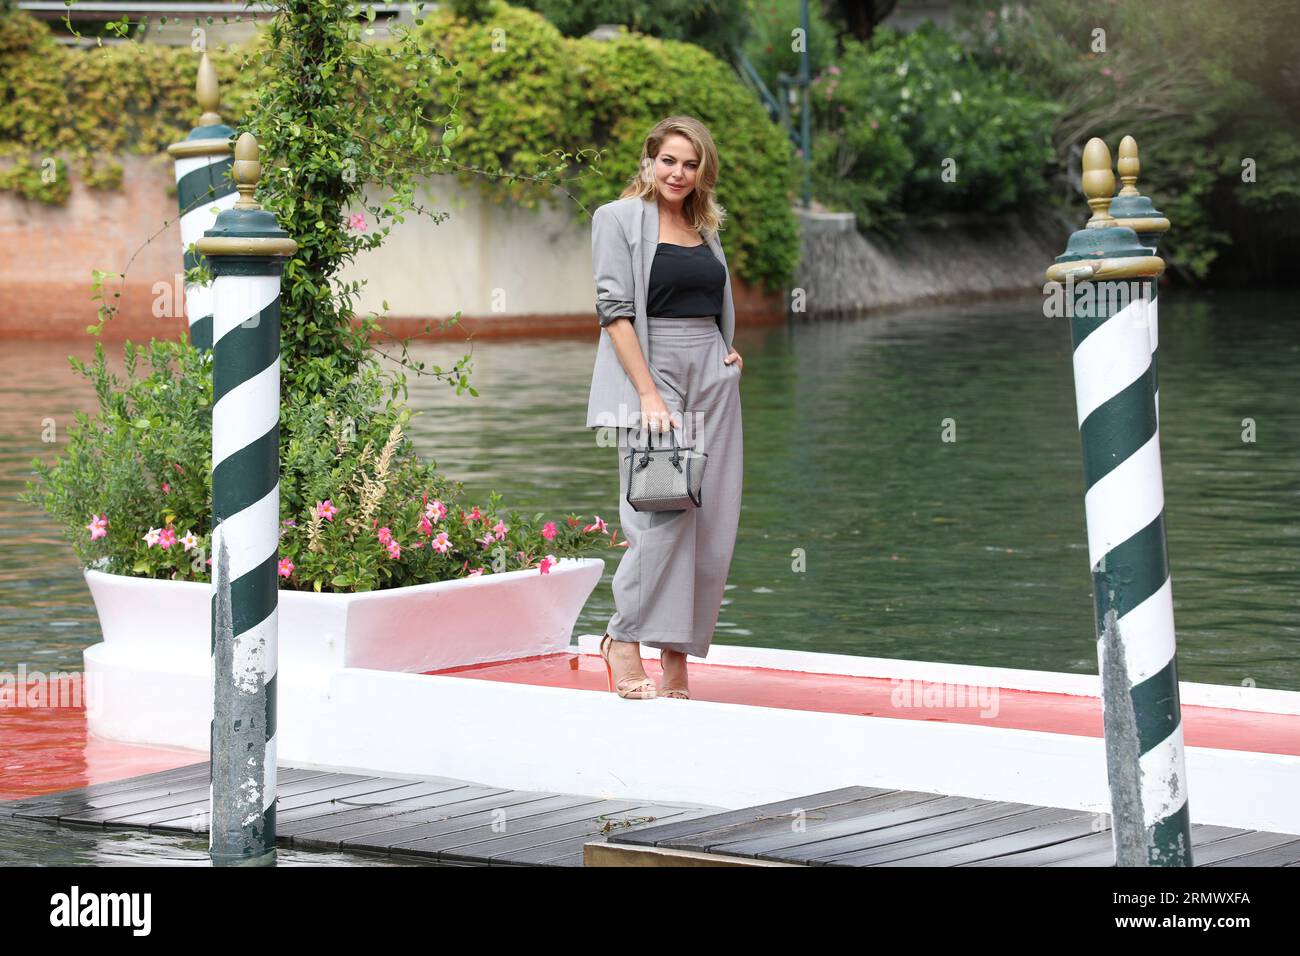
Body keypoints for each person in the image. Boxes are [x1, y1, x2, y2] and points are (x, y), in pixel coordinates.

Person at [585, 115, 744, 700]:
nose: (679, 172)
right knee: (659, 515)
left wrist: (728, 351)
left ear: (703, 171)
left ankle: (677, 653)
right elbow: (615, 310)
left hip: (712, 373)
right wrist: (647, 392)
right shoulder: (617, 218)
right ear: (649, 161)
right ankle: (622, 639)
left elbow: (709, 298)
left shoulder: (703, 224)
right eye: (669, 160)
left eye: (691, 163)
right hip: (654, 376)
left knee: (711, 520)